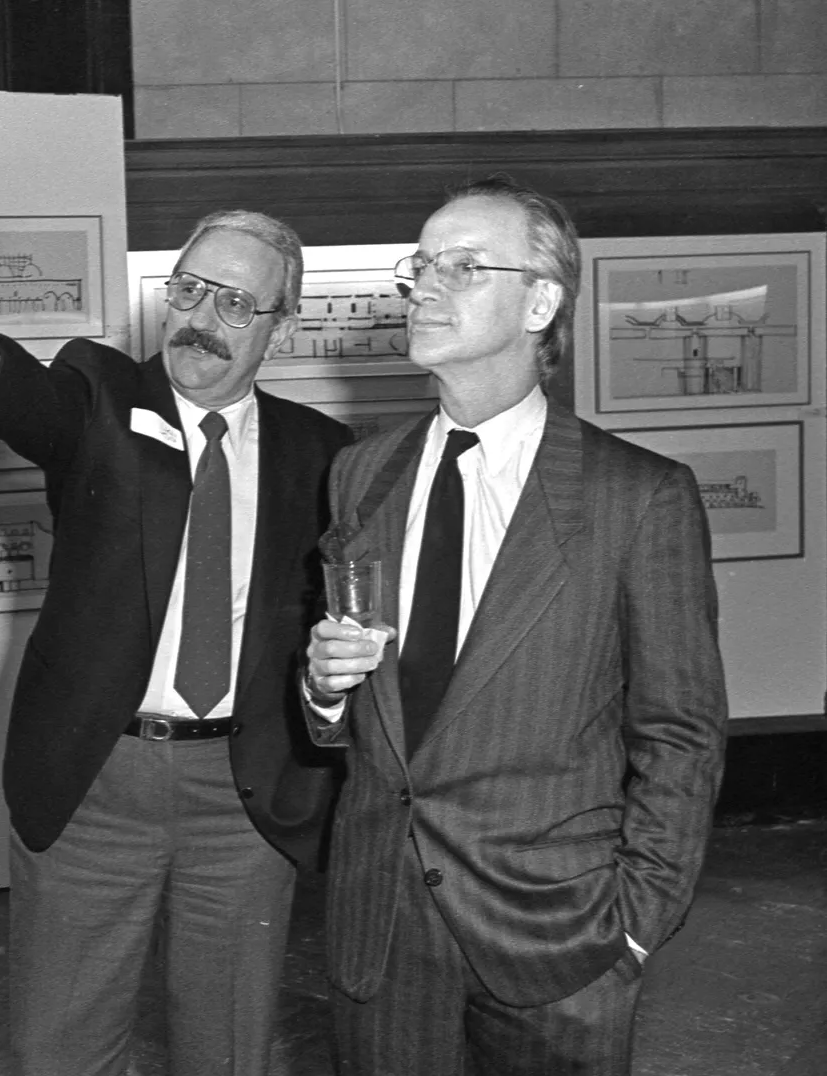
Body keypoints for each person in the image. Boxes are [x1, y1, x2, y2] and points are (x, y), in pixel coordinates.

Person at [0, 210, 351, 1076]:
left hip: (242, 798)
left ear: (283, 323)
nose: (202, 318)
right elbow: (27, 401)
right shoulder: (101, 397)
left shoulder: (324, 453)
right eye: (191, 290)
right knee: (65, 1047)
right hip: (98, 779)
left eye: (237, 304)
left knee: (228, 1049)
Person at [303, 175, 728, 1076]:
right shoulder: (361, 475)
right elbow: (344, 706)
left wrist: (635, 928)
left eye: (462, 267)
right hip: (378, 930)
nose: (424, 285)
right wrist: (322, 687)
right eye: (420, 265)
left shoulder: (637, 497)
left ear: (540, 302)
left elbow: (681, 734)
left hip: (559, 940)